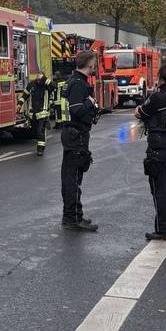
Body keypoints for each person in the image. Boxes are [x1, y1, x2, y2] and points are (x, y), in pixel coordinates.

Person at [136, 63, 166, 241]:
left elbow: (140, 112)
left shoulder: (158, 96)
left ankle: (164, 229)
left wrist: (144, 104)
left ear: (160, 77)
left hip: (158, 144)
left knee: (159, 188)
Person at [61, 50, 99, 232]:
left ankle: (71, 216)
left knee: (70, 177)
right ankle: (73, 218)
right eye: (94, 64)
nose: (95, 67)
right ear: (90, 64)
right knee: (74, 178)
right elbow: (76, 109)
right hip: (77, 135)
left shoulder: (72, 81)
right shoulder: (78, 84)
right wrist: (91, 103)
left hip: (71, 134)